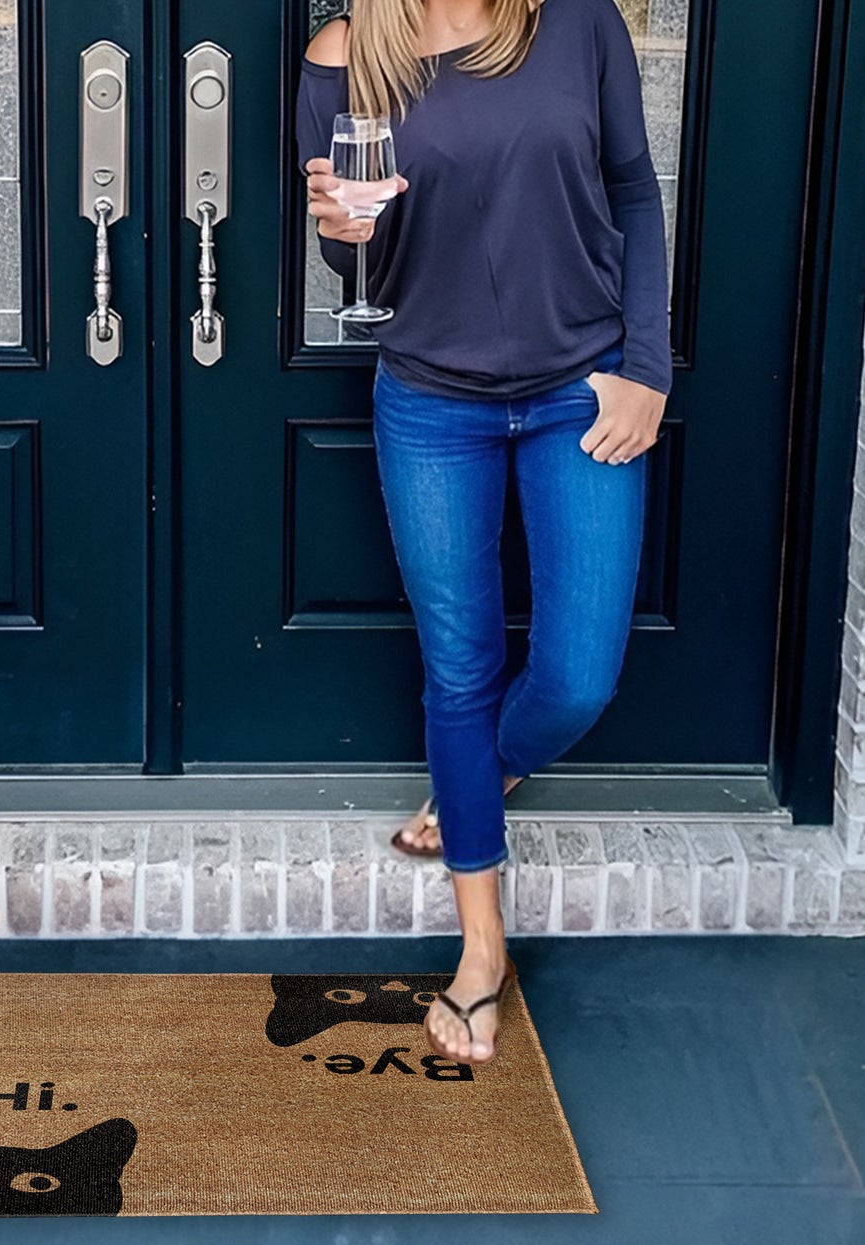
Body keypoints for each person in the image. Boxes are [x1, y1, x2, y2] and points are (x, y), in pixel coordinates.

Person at [296, 0, 671, 1064]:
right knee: (456, 669)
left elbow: (634, 193)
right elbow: (351, 260)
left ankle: (485, 764)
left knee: (575, 676)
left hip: (579, 390)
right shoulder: (340, 54)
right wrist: (342, 233)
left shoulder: (575, 23)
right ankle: (478, 949)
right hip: (429, 403)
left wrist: (645, 367)